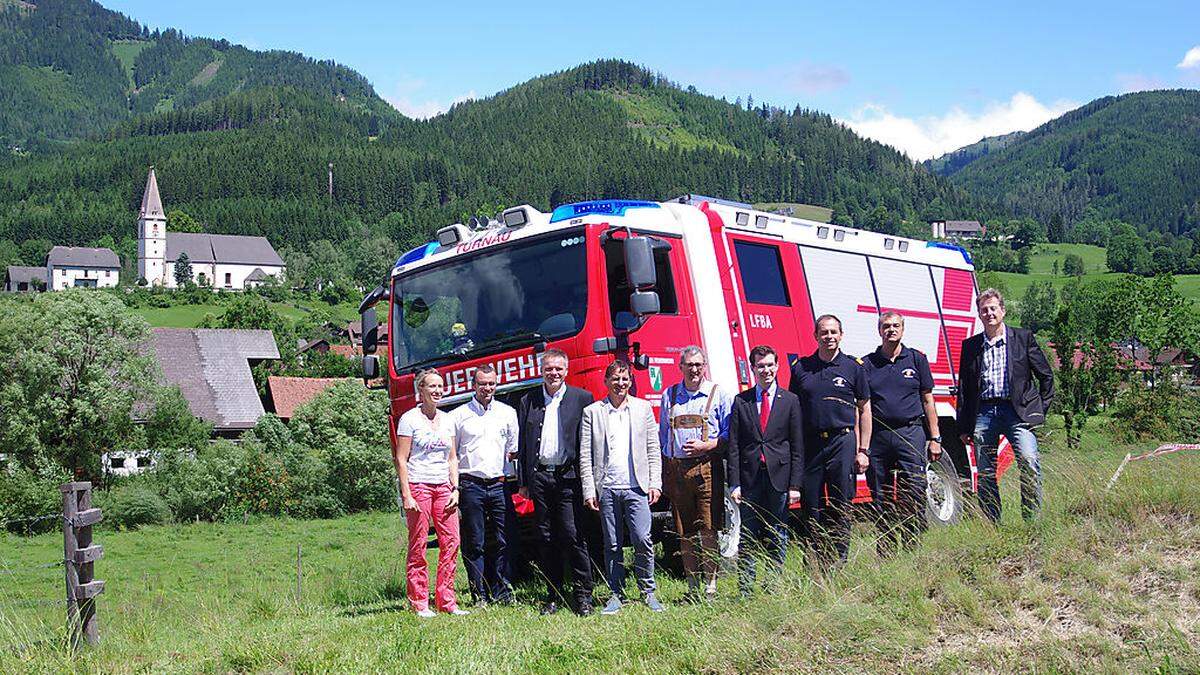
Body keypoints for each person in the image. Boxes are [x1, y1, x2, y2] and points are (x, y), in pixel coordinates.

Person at [957, 288, 1054, 522]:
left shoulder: (1023, 338)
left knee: (1029, 462)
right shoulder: (970, 346)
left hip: (1017, 412)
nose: (989, 313)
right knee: (986, 472)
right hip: (984, 413)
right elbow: (964, 388)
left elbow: (1046, 376)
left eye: (993, 309)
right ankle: (993, 523)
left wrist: (1039, 411)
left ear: (1003, 311)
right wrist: (963, 426)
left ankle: (1032, 521)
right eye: (984, 310)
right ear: (979, 315)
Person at [516, 348, 597, 616]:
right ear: (541, 370)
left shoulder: (582, 398)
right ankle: (553, 594)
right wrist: (524, 481)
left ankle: (583, 595)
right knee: (546, 536)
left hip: (569, 477)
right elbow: (523, 445)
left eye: (558, 369)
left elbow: (590, 442)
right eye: (548, 369)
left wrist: (590, 482)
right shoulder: (529, 400)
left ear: (566, 370)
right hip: (540, 478)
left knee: (574, 535)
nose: (553, 373)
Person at [580, 360, 664, 615]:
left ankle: (648, 591)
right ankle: (616, 593)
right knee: (613, 543)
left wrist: (655, 483)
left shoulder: (643, 409)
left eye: (624, 379)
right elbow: (585, 454)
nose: (620, 384)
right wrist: (589, 490)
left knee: (642, 539)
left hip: (637, 486)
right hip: (607, 488)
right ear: (606, 382)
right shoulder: (592, 412)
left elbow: (653, 448)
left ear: (630, 381)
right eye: (615, 379)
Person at [789, 315, 871, 567]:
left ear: (841, 335)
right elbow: (793, 409)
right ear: (815, 336)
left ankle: (839, 557)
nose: (829, 337)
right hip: (811, 444)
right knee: (811, 502)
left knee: (841, 500)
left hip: (842, 442)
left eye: (834, 332)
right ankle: (813, 556)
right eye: (824, 332)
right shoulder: (801, 368)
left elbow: (864, 409)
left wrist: (863, 449)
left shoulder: (853, 367)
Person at [862, 312, 942, 555]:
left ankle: (911, 543)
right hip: (879, 436)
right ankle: (885, 546)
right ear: (879, 331)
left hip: (911, 432)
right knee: (879, 493)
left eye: (896, 326)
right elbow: (862, 406)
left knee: (914, 489)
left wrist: (935, 438)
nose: (891, 330)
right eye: (886, 326)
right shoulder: (867, 364)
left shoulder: (916, 359)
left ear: (903, 329)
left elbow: (928, 400)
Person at [727, 345, 804, 597]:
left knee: (777, 533)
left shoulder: (790, 401)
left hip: (779, 479)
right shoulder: (742, 401)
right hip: (750, 479)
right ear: (753, 369)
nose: (766, 370)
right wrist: (734, 483)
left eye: (770, 365)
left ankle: (772, 586)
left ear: (777, 366)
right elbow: (735, 446)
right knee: (748, 535)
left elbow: (796, 446)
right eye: (760, 366)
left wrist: (795, 485)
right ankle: (746, 590)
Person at [658, 345, 732, 602]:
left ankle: (711, 586)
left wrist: (708, 445)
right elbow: (663, 437)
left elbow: (729, 434)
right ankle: (691, 587)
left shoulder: (718, 394)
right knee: (685, 532)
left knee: (709, 529)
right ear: (680, 367)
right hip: (677, 471)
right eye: (689, 365)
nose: (694, 369)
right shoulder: (670, 395)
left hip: (707, 468)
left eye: (699, 364)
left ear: (705, 366)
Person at [394, 368, 467, 618]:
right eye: (431, 386)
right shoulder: (409, 419)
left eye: (440, 386)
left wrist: (456, 488)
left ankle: (446, 601)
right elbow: (401, 459)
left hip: (444, 487)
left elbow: (452, 458)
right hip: (419, 485)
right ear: (420, 390)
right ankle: (419, 601)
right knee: (419, 545)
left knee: (452, 542)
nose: (437, 391)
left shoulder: (448, 420)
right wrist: (407, 495)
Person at [449, 364, 518, 606]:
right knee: (474, 542)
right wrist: (455, 488)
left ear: (496, 384)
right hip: (470, 485)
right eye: (482, 383)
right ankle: (479, 593)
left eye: (491, 383)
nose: (487, 388)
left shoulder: (508, 413)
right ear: (473, 385)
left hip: (499, 484)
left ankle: (502, 590)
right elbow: (452, 455)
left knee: (504, 539)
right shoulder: (457, 416)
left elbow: (513, 449)